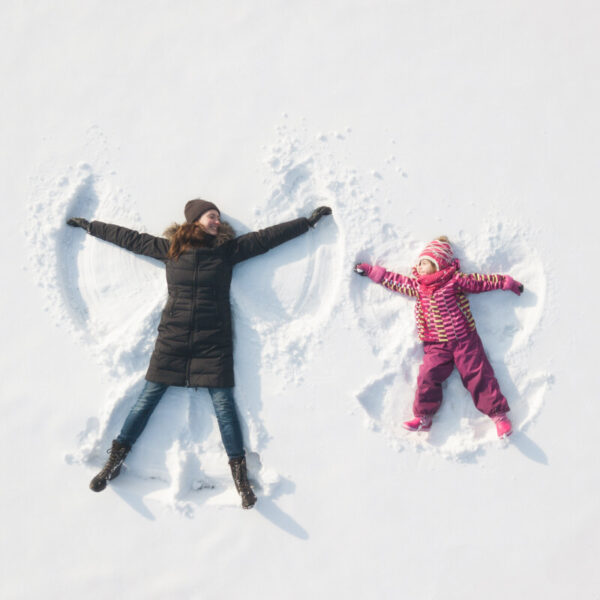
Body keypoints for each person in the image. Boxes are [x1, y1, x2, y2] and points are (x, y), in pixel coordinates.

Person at [67, 200, 332, 508]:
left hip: (213, 342)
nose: (216, 222)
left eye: (218, 217)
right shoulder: (171, 250)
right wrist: (91, 227)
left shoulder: (226, 251)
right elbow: (129, 239)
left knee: (224, 406)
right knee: (147, 398)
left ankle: (241, 480)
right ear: (195, 220)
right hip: (173, 340)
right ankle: (113, 462)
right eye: (211, 216)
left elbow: (265, 239)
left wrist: (307, 223)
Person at [354, 236, 523, 439]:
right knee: (428, 375)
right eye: (420, 262)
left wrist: (506, 282)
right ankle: (424, 417)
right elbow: (397, 282)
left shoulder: (454, 281)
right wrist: (373, 272)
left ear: (438, 265)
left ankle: (499, 416)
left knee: (478, 374)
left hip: (464, 340)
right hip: (436, 346)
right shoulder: (418, 286)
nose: (420, 266)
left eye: (426, 263)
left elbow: (480, 282)